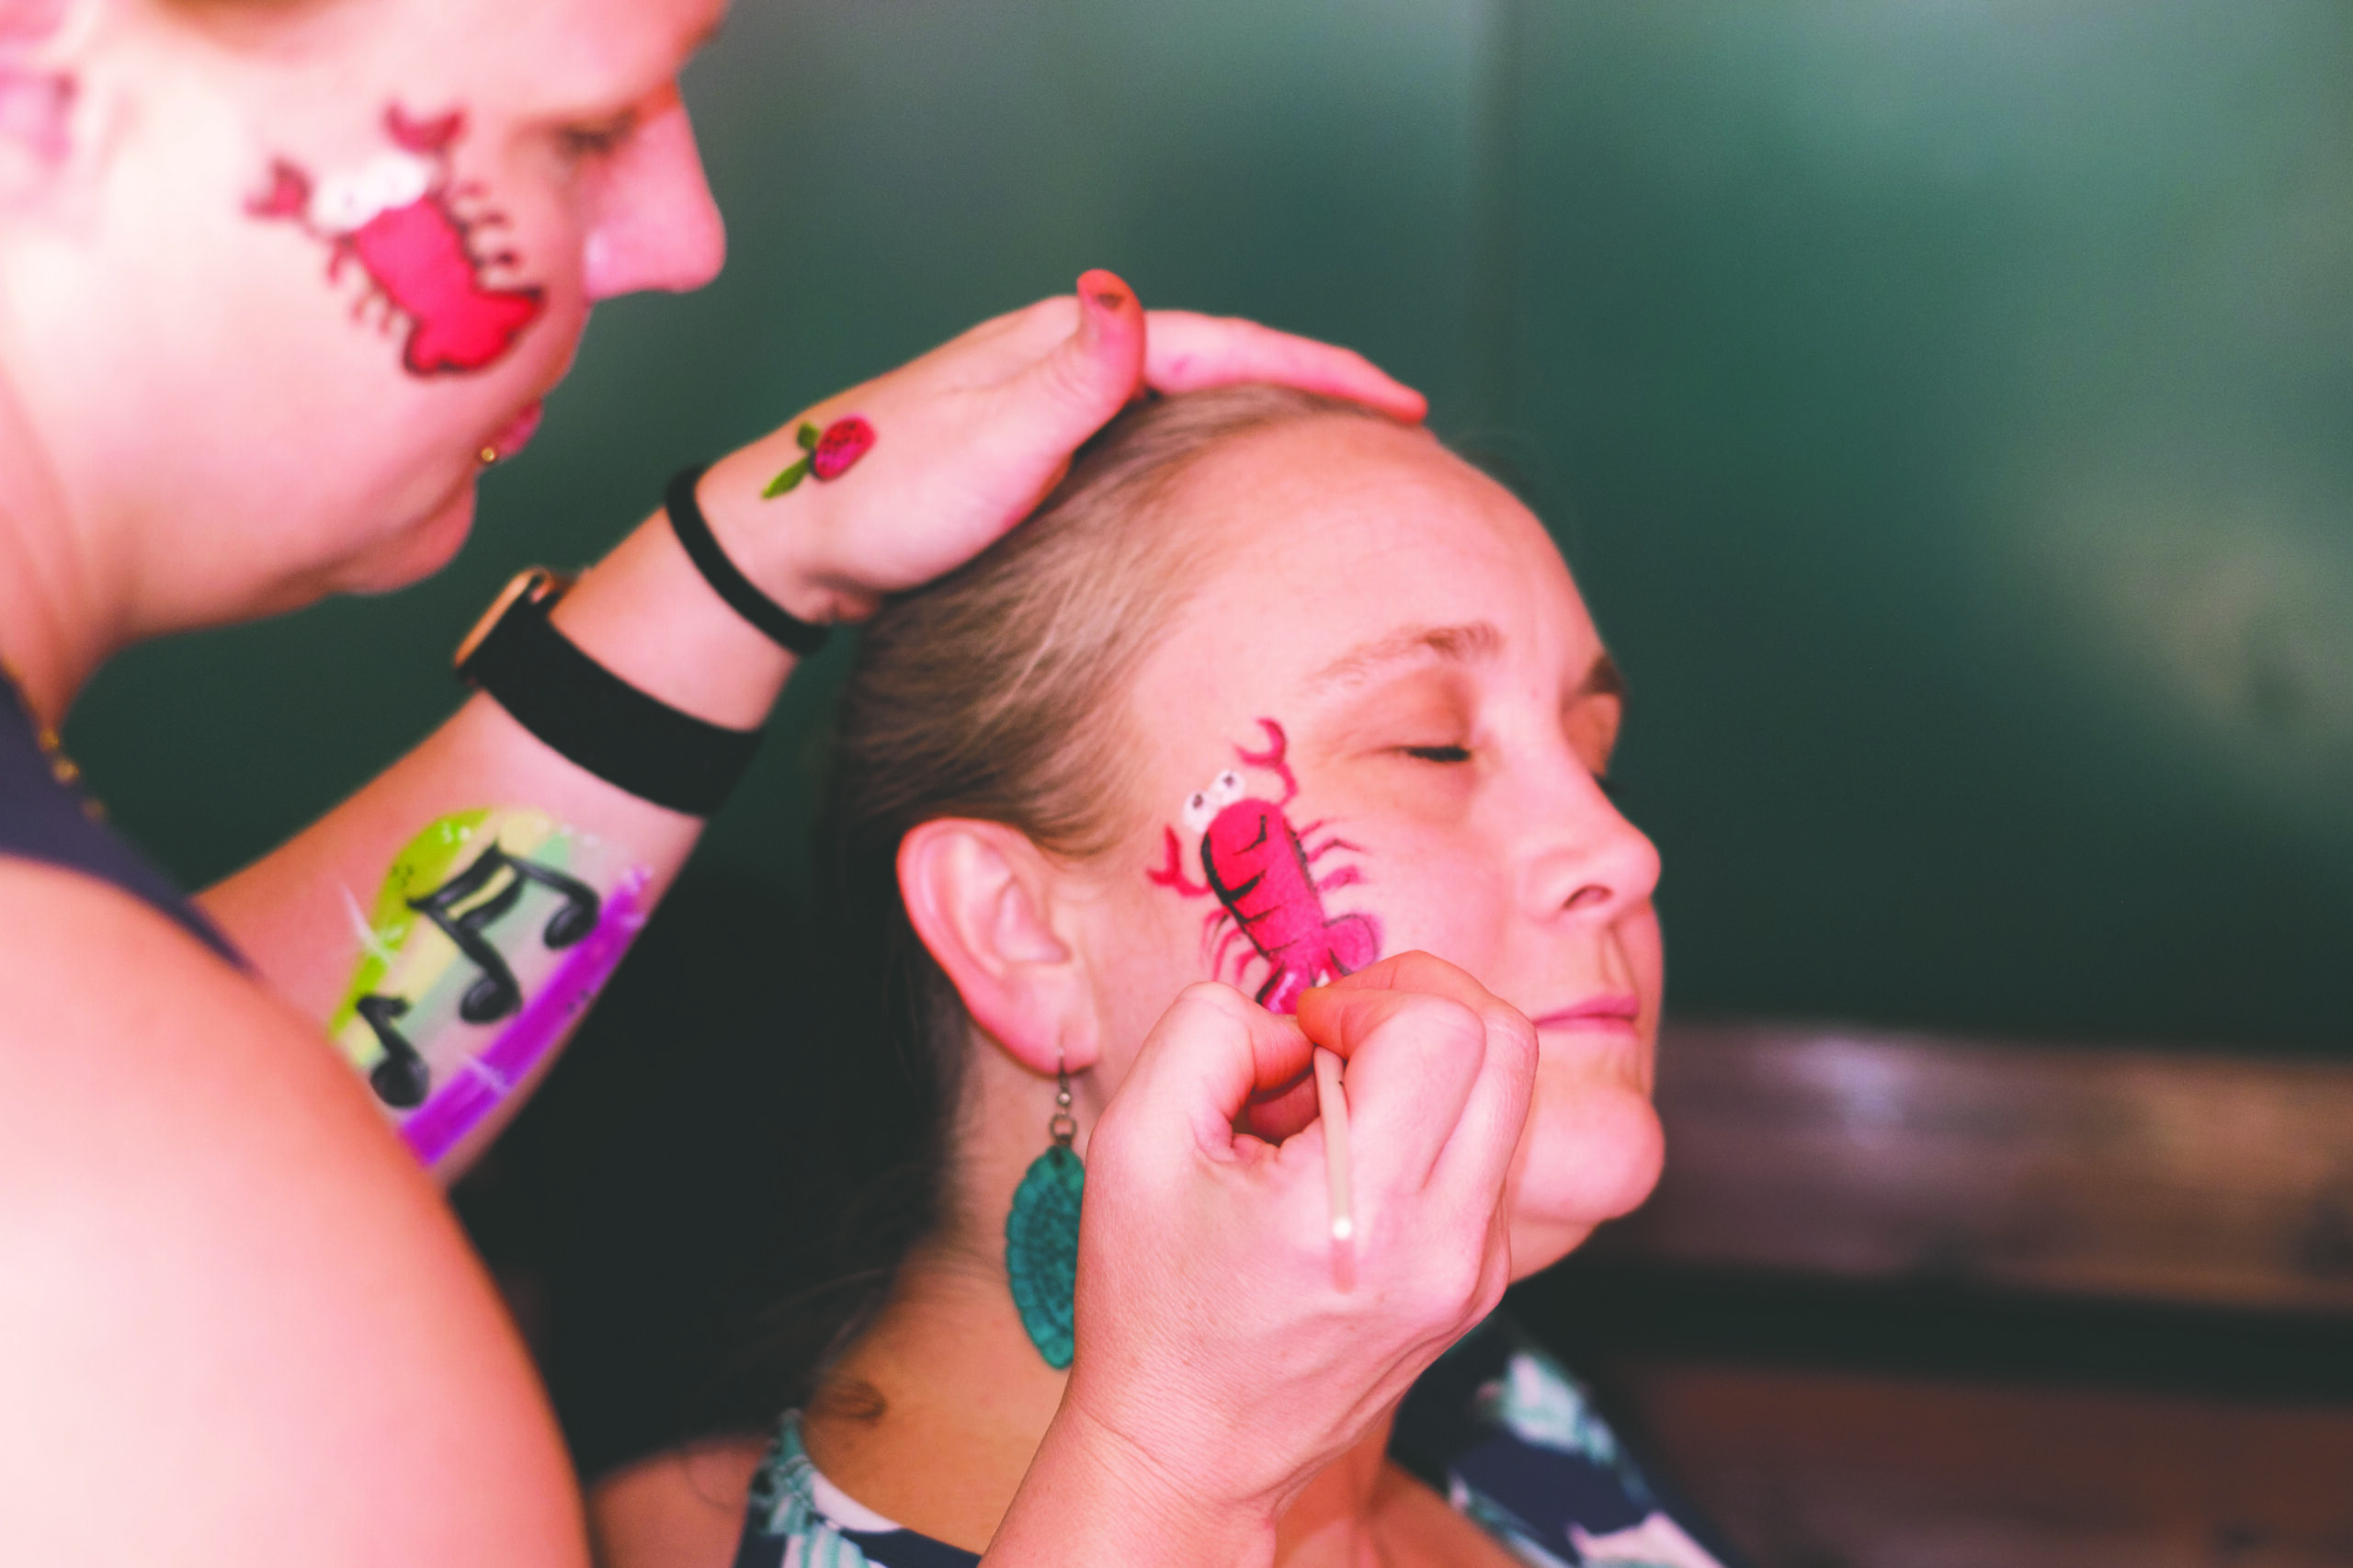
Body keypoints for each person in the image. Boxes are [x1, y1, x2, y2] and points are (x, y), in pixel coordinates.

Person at [0, 1, 1547, 1562]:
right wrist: (1181, 1470)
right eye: (587, 127)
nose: (685, 235)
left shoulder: (123, 1083)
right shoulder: (119, 1172)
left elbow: (279, 1095)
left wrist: (748, 562)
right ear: (33, 73)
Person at [590, 387, 1745, 1568]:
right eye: (1430, 745)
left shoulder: (1477, 1399)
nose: (1621, 849)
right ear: (1018, 933)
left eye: (1594, 751)